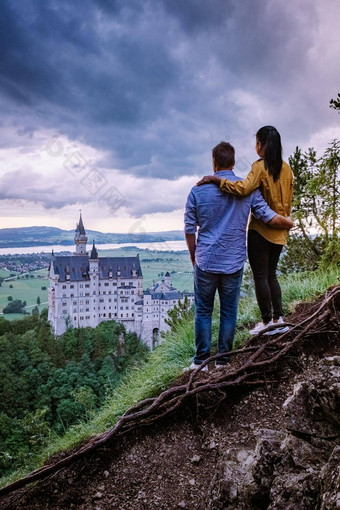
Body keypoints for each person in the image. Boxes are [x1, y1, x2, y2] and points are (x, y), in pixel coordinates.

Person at [184, 142, 293, 372]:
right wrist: (289, 222)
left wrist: (195, 258)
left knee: (203, 311)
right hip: (233, 262)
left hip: (206, 261)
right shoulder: (248, 189)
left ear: (213, 162)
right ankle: (223, 360)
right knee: (228, 311)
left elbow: (189, 228)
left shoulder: (197, 190)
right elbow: (267, 216)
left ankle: (200, 362)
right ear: (233, 163)